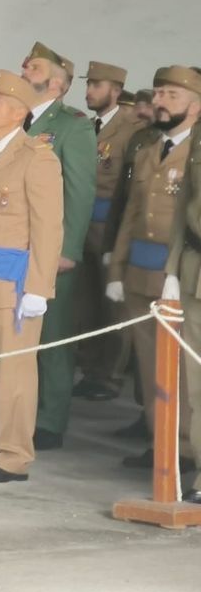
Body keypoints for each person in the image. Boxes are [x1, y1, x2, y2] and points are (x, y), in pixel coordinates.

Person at [0, 70, 63, 484]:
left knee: (14, 373)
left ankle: (14, 455)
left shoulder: (37, 157)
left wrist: (40, 288)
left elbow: (48, 228)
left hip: (15, 281)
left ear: (19, 111)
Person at [109, 67, 198, 474]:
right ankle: (160, 441)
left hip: (180, 275)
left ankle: (186, 449)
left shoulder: (193, 153)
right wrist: (116, 270)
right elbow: (130, 214)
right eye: (159, 92)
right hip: (141, 275)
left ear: (195, 106)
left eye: (172, 95)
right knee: (149, 367)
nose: (160, 101)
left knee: (185, 370)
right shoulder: (147, 150)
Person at [18, 42, 96, 451]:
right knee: (17, 335)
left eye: (33, 67)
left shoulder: (72, 125)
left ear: (58, 84)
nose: (24, 69)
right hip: (12, 246)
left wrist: (69, 248)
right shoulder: (13, 120)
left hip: (51, 249)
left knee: (52, 336)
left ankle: (49, 419)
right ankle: (20, 413)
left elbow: (80, 191)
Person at [76, 61, 144, 402]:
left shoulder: (130, 129)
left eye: (96, 85)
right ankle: (90, 368)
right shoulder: (88, 127)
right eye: (89, 85)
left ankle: (111, 375)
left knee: (113, 305)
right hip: (81, 225)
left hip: (108, 226)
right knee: (85, 302)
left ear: (116, 90)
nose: (89, 91)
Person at [161, 67, 201, 504]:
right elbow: (183, 208)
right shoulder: (198, 139)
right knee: (197, 382)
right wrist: (172, 268)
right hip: (195, 268)